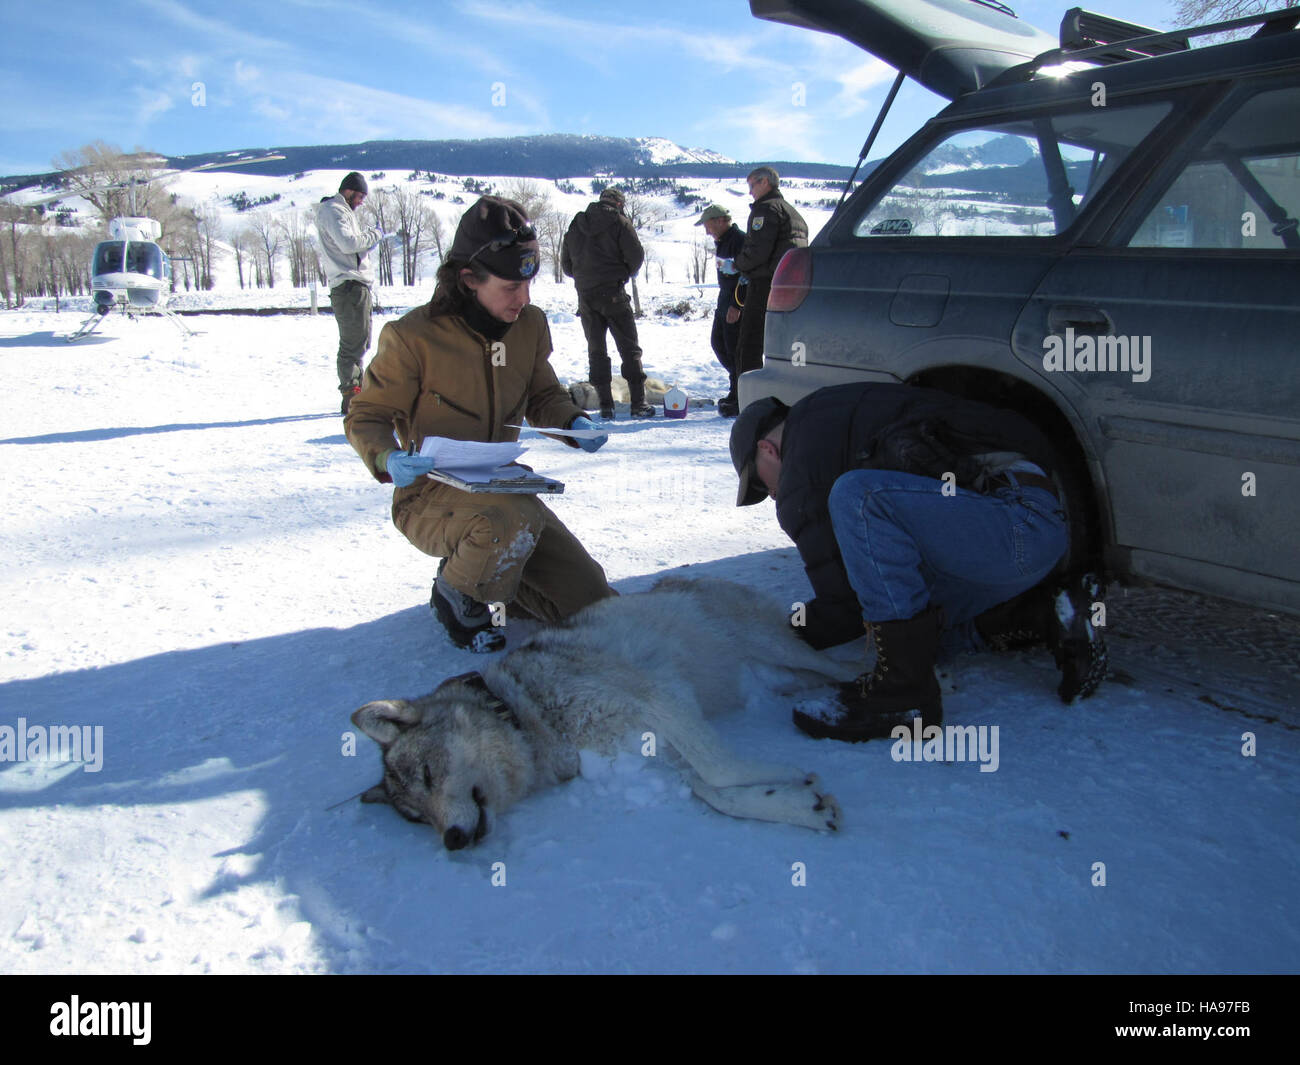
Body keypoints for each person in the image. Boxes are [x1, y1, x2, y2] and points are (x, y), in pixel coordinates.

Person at [730, 383, 1108, 742]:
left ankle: (903, 696)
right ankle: (1048, 612)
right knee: (920, 635)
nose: (772, 493)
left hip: (1011, 523)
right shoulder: (834, 410)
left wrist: (778, 637)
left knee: (860, 499)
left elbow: (845, 605)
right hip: (1030, 527)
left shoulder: (803, 461)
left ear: (768, 449)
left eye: (762, 485)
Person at [345, 196, 615, 653]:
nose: (524, 299)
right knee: (508, 519)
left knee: (593, 603)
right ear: (469, 279)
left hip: (504, 489)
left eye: (528, 284)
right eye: (511, 287)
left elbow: (542, 395)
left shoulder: (528, 326)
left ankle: (493, 580)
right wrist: (387, 457)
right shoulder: (413, 338)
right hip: (429, 495)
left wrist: (573, 421)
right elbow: (366, 414)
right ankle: (456, 595)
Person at [561, 187, 655, 419]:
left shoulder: (577, 224)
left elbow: (566, 266)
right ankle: (638, 403)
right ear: (619, 204)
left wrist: (585, 277)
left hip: (586, 296)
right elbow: (636, 256)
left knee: (596, 350)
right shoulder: (620, 222)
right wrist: (621, 273)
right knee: (629, 348)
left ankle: (605, 406)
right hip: (613, 292)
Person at [317, 172, 389, 415]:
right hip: (348, 285)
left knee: (361, 340)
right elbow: (348, 243)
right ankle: (351, 395)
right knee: (352, 342)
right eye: (359, 197)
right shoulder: (333, 210)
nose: (361, 202)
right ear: (348, 191)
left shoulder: (341, 211)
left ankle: (357, 391)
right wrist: (374, 235)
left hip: (354, 284)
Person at [733, 167, 808, 385]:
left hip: (765, 284)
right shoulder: (793, 212)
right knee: (782, 343)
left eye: (752, 185)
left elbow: (758, 252)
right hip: (791, 287)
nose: (750, 192)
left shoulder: (766, 209)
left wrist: (737, 264)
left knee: (750, 342)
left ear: (764, 182)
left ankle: (746, 394)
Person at [695, 204, 746, 417]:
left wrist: (737, 305)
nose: (707, 231)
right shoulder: (723, 242)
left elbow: (746, 276)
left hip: (735, 303)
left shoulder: (739, 240)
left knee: (735, 350)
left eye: (708, 226)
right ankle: (736, 390)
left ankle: (740, 396)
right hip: (724, 301)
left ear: (720, 221)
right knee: (719, 344)